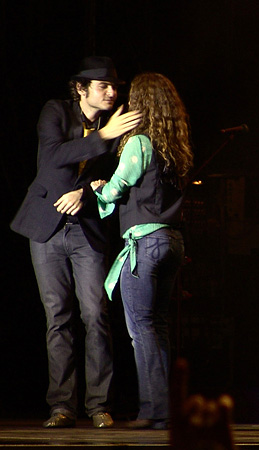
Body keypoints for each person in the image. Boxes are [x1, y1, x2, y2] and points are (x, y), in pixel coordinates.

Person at [10, 56, 141, 428]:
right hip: (47, 225)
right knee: (58, 317)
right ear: (82, 88)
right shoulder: (56, 111)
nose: (112, 92)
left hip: (87, 229)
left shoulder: (117, 123)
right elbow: (53, 157)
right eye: (103, 86)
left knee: (96, 315)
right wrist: (104, 136)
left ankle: (99, 405)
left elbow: (116, 174)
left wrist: (85, 191)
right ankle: (62, 406)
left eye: (114, 86)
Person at [92, 72, 194, 430]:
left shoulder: (139, 142)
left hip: (145, 243)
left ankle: (155, 410)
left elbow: (118, 186)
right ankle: (165, 408)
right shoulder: (176, 148)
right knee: (157, 327)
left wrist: (100, 189)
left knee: (142, 329)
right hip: (172, 241)